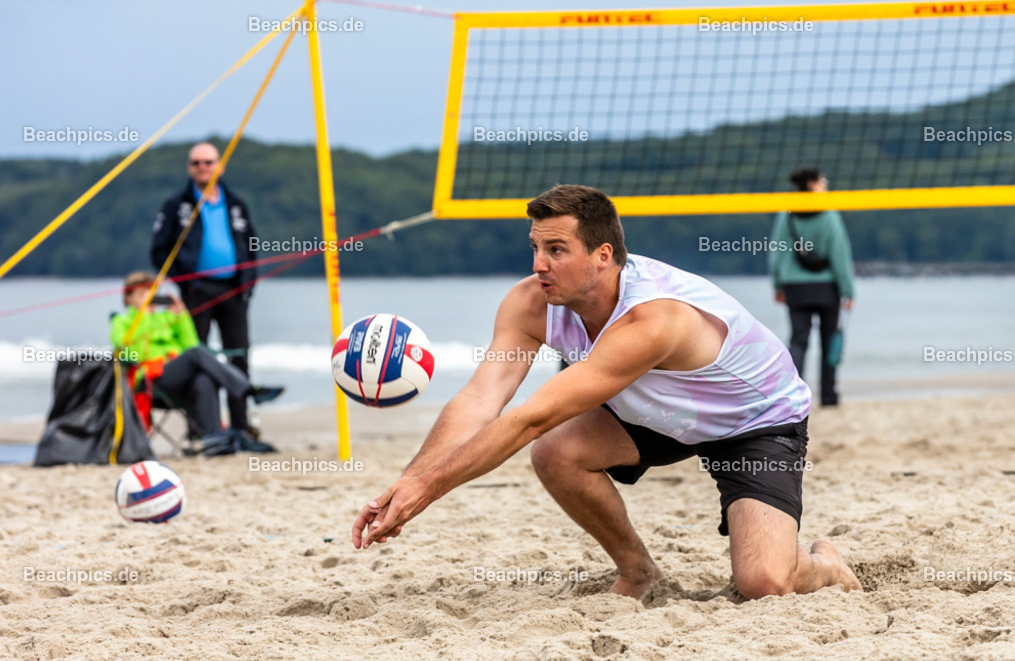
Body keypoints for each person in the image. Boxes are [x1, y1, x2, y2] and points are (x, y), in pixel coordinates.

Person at [351, 185, 862, 601]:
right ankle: (639, 571)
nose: (539, 264)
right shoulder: (530, 303)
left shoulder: (652, 318)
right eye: (535, 248)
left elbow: (531, 417)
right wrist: (408, 483)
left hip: (753, 421)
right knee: (556, 453)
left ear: (603, 256)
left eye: (556, 250)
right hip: (657, 411)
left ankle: (826, 564)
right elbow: (480, 400)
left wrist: (429, 490)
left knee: (765, 583)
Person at [151, 142, 262, 436]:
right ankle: (199, 428)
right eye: (196, 163)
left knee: (239, 354)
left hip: (234, 290)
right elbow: (159, 251)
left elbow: (252, 245)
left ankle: (240, 425)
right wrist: (185, 282)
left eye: (208, 162)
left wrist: (248, 284)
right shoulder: (176, 205)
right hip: (196, 290)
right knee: (195, 354)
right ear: (189, 168)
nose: (203, 167)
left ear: (219, 166)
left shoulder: (236, 204)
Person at [111, 271, 283, 455]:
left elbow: (191, 343)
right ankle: (247, 389)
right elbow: (129, 352)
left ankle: (213, 439)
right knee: (196, 355)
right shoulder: (121, 321)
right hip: (150, 379)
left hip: (179, 375)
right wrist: (143, 317)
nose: (148, 297)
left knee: (203, 378)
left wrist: (182, 316)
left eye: (151, 292)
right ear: (128, 298)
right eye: (142, 294)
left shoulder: (167, 317)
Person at [769, 167, 855, 407]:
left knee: (798, 341)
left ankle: (795, 395)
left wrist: (777, 284)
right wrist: (848, 290)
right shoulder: (829, 214)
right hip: (827, 288)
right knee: (829, 342)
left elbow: (776, 252)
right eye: (822, 182)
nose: (825, 185)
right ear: (811, 185)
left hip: (795, 287)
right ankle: (828, 396)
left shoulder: (786, 214)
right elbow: (840, 254)